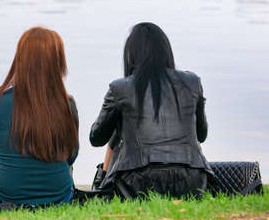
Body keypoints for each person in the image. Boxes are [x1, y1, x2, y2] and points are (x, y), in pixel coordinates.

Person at [89, 22, 212, 199]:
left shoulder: (120, 88)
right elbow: (201, 135)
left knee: (120, 131)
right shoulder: (192, 82)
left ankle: (100, 188)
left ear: (131, 55)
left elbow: (96, 138)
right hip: (191, 181)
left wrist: (119, 121)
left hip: (137, 183)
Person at [0, 27, 79, 208]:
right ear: (58, 62)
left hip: (5, 197)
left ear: (20, 60)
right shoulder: (67, 104)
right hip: (60, 199)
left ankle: (0, 206)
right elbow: (71, 157)